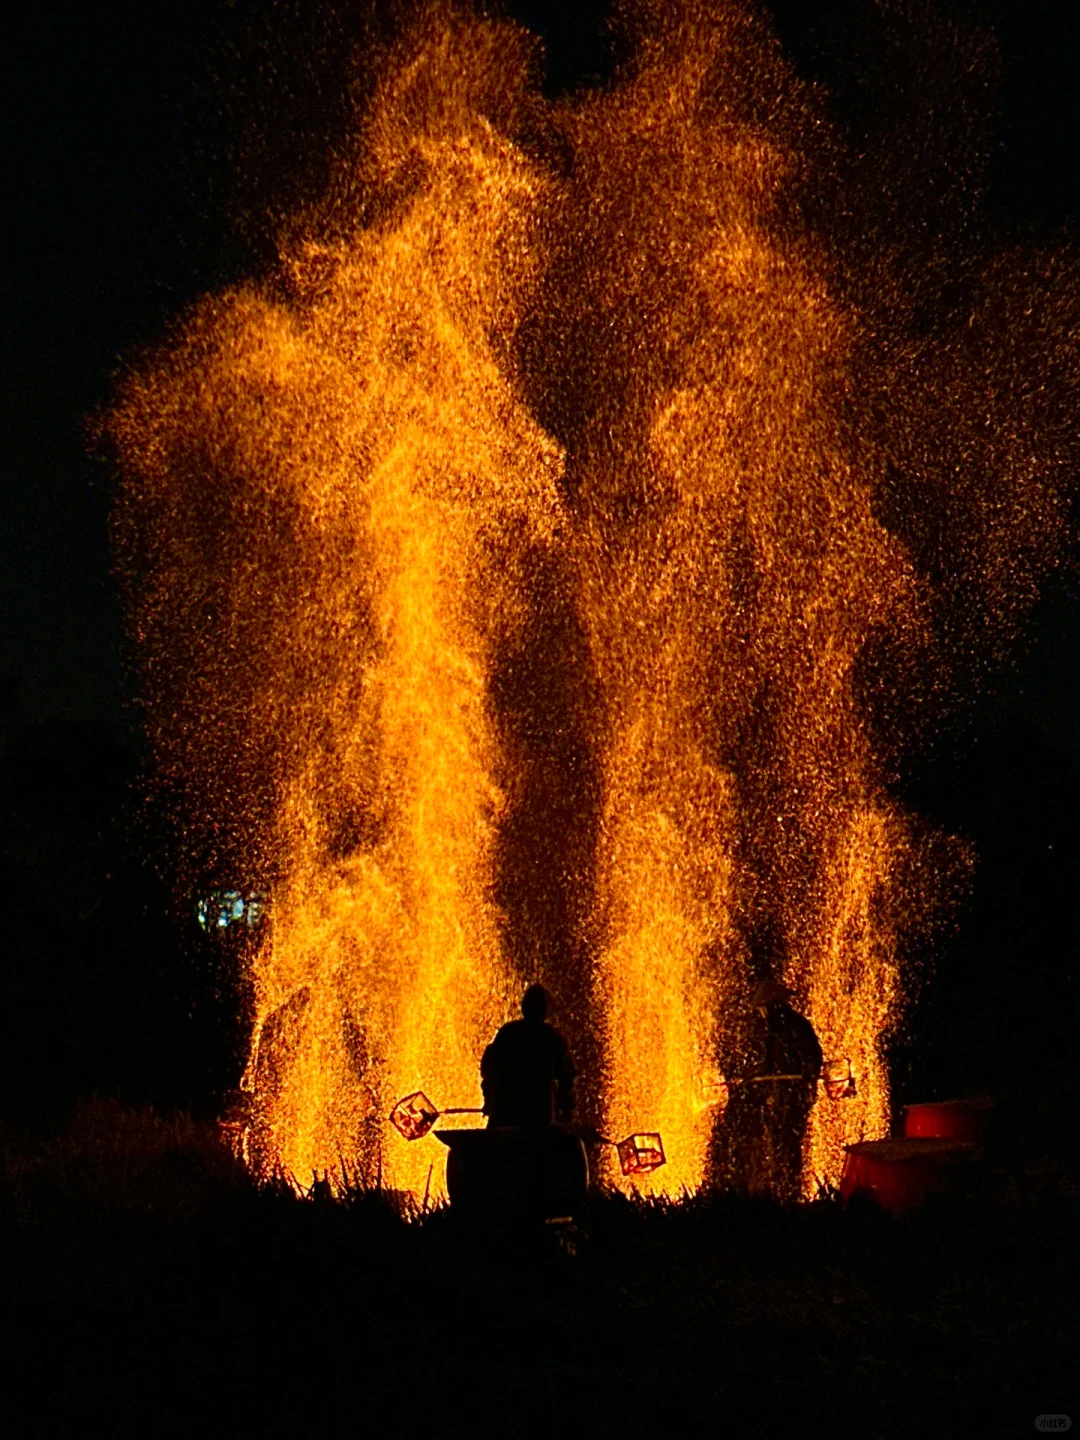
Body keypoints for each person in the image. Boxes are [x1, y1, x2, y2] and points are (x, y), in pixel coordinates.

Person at [744, 979, 823, 1201]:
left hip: (794, 1094)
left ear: (773, 1006)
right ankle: (777, 1186)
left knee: (790, 1141)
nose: (761, 1013)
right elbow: (768, 1065)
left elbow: (813, 1056)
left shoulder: (797, 1027)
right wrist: (754, 1079)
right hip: (780, 1094)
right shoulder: (774, 1033)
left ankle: (792, 1189)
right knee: (777, 1139)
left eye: (762, 1008)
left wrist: (807, 1075)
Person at [480, 984, 576, 1128]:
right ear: (546, 1010)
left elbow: (489, 1070)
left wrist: (489, 1101)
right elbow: (567, 1079)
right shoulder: (552, 1038)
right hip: (539, 1118)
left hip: (504, 1116)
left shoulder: (508, 1033)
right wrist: (566, 1111)